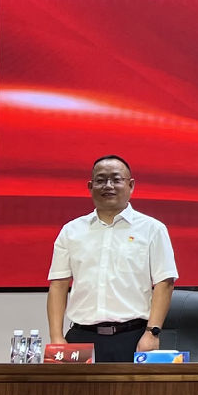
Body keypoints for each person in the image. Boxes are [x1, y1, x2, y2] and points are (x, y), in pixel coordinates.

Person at [46, 154, 178, 364]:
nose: (108, 186)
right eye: (100, 180)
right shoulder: (71, 231)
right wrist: (56, 338)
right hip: (80, 337)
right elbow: (58, 284)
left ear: (131, 185)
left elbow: (165, 283)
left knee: (135, 389)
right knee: (72, 388)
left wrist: (152, 333)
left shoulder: (153, 229)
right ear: (90, 186)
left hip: (134, 338)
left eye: (116, 179)